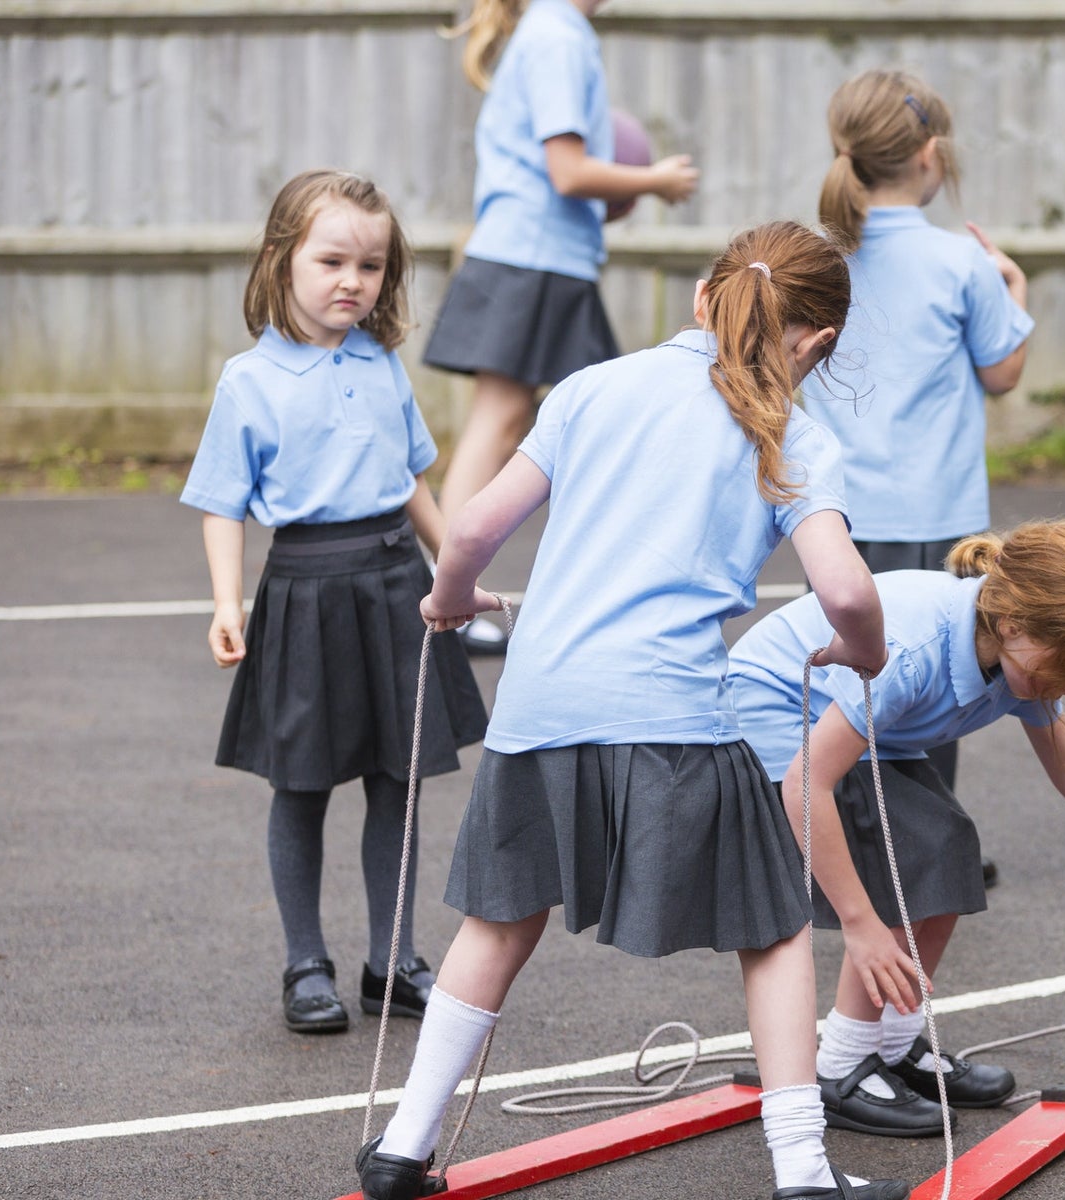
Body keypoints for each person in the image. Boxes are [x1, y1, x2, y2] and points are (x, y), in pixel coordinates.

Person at [355, 223, 907, 1200]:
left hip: (539, 707)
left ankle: (402, 1146)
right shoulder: (789, 432)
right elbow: (851, 593)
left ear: (703, 295)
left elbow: (475, 522)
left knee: (497, 922)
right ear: (815, 343)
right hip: (670, 712)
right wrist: (861, 650)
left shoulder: (592, 387)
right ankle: (804, 1170)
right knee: (776, 927)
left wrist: (447, 600)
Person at [727, 521, 1065, 1136]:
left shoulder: (1020, 653)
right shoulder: (912, 649)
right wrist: (861, 925)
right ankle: (841, 1066)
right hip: (774, 724)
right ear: (1012, 625)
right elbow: (804, 784)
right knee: (901, 853)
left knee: (947, 844)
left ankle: (894, 1047)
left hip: (865, 735)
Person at [180, 169, 489, 1035]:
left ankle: (390, 962)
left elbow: (413, 483)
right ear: (282, 260)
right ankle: (304, 963)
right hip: (307, 594)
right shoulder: (248, 381)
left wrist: (452, 574)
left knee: (400, 784)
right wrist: (226, 601)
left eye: (373, 264)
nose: (354, 280)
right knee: (303, 786)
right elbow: (221, 503)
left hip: (395, 588)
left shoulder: (383, 364)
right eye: (332, 261)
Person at [425, 0, 699, 653]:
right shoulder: (557, 36)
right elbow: (568, 172)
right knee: (526, 423)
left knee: (520, 420)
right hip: (531, 256)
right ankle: (446, 591)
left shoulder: (550, 32)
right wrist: (654, 180)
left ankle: (448, 590)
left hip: (536, 253)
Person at [809, 68, 1033, 809]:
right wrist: (1015, 292)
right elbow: (1001, 372)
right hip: (939, 517)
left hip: (838, 517)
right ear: (930, 155)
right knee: (942, 678)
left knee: (848, 682)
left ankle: (845, 828)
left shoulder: (821, 262)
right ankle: (928, 838)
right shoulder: (962, 262)